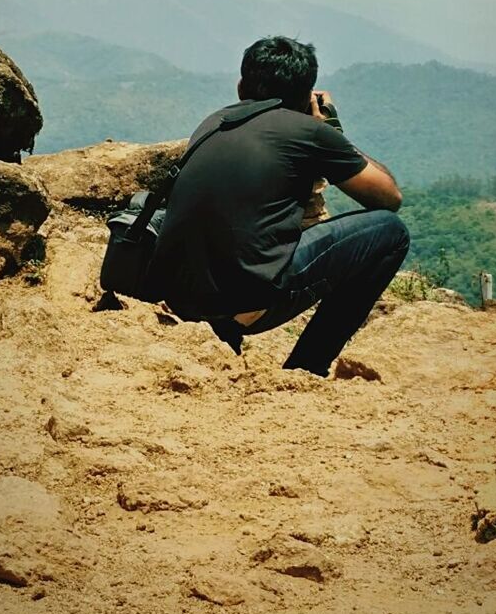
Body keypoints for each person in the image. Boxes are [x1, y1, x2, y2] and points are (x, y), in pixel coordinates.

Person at [146, 36, 410, 377]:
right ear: (306, 95)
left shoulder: (213, 123)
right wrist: (330, 130)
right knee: (390, 232)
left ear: (241, 87)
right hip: (246, 306)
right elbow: (388, 198)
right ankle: (308, 366)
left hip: (181, 299)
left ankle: (224, 334)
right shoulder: (308, 131)